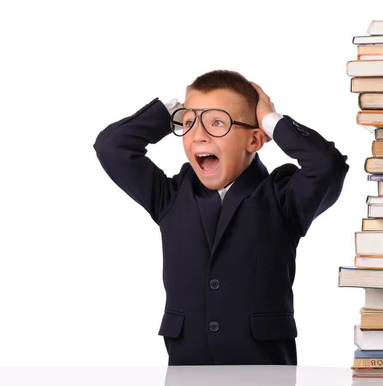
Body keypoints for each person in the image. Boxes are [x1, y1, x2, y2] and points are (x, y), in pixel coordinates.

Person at [93, 70, 349, 365]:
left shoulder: (281, 198)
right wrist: (168, 112)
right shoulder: (170, 196)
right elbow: (112, 147)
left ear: (254, 140)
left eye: (217, 122)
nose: (199, 135)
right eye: (189, 123)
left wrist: (270, 120)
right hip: (188, 367)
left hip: (262, 371)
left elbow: (327, 166)